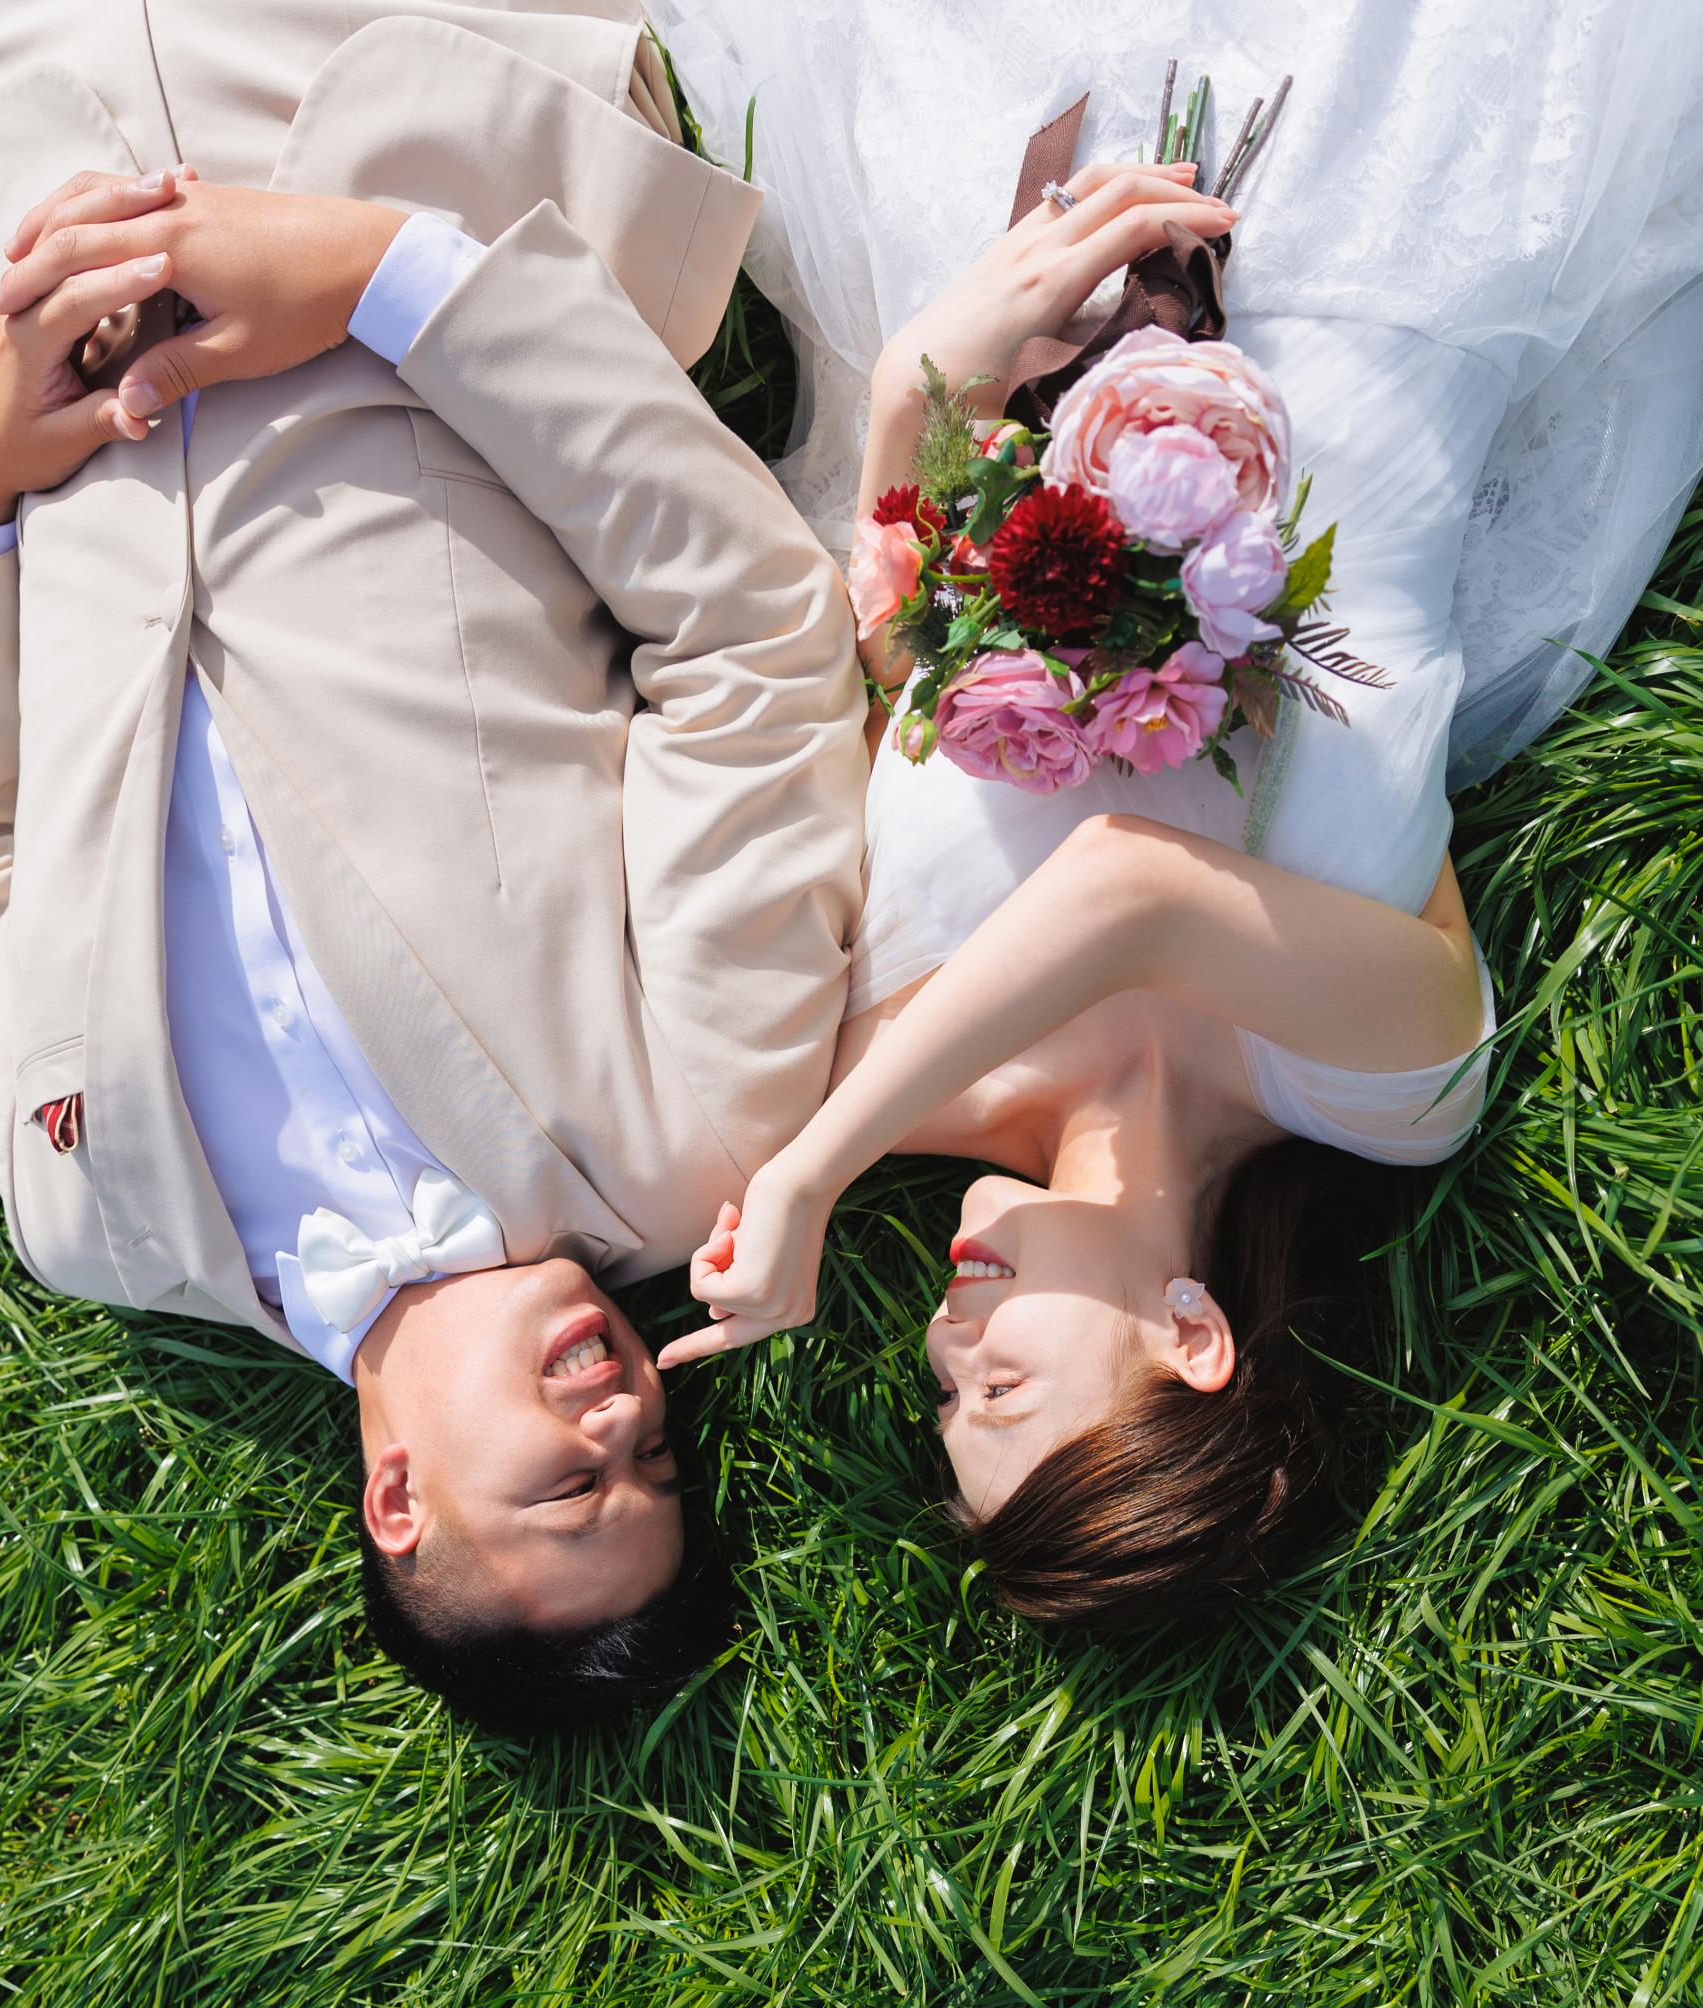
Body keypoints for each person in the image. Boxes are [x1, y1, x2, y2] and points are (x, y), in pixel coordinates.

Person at [0, 0, 873, 1731]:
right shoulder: (699, 1133)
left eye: (571, 1487)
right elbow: (750, 641)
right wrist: (386, 274)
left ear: (398, 1499)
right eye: (659, 1463)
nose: (630, 1419)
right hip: (386, 95)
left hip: (40, 159)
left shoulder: (94, 1223)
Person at [651, 1, 1703, 1629]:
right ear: (1192, 1337)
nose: (947, 1344)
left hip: (1028, 268)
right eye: (1004, 1392)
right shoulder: (1395, 1088)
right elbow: (1130, 890)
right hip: (1395, 248)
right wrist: (806, 1179)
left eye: (942, 1399)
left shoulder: (880, 1077)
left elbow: (898, 670)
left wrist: (918, 393)